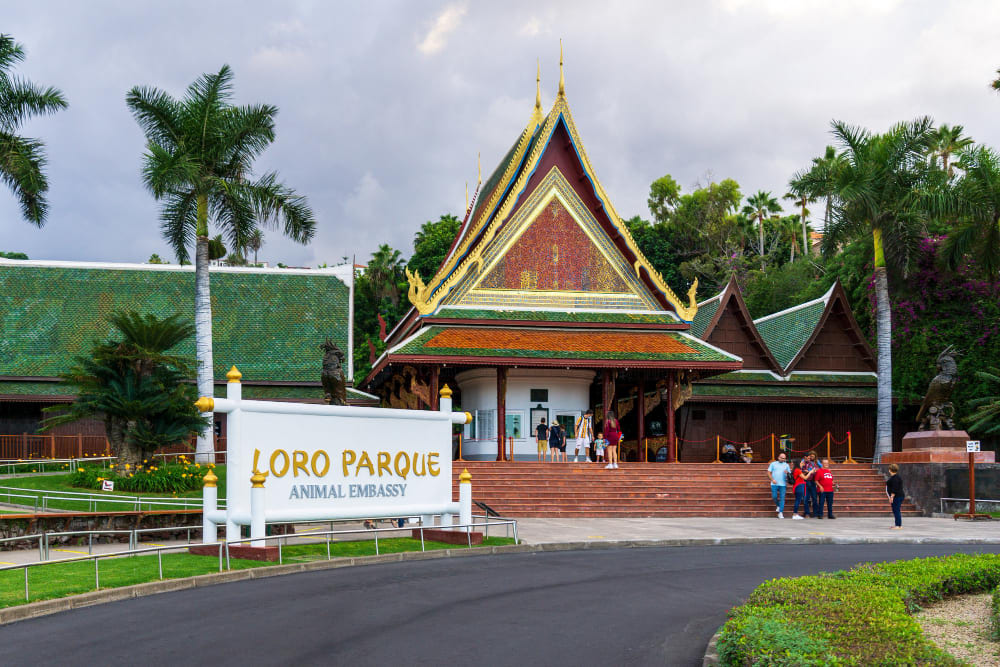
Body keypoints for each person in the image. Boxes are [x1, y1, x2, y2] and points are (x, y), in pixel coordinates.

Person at [767, 452, 790, 518]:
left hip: (783, 484)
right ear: (778, 457)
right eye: (782, 458)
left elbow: (789, 475)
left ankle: (780, 512)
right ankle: (778, 505)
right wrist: (772, 479)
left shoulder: (786, 465)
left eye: (784, 458)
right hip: (774, 483)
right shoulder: (773, 464)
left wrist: (787, 473)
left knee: (782, 498)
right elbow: (768, 473)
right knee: (774, 497)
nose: (783, 459)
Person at [886, 463, 904, 529]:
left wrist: (891, 497)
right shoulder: (895, 477)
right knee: (896, 510)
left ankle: (898, 525)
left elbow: (895, 488)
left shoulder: (895, 478)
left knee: (896, 510)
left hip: (897, 497)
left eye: (889, 469)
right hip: (898, 496)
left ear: (890, 470)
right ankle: (898, 525)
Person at [803, 452, 820, 517]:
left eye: (810, 458)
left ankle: (815, 513)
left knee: (814, 498)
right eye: (808, 458)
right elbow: (799, 471)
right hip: (805, 481)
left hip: (812, 482)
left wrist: (815, 471)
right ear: (805, 457)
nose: (809, 459)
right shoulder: (802, 464)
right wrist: (805, 471)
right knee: (806, 498)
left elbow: (817, 470)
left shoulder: (813, 464)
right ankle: (807, 513)